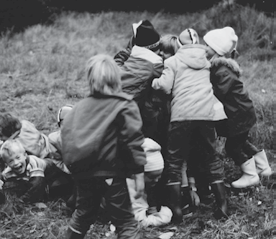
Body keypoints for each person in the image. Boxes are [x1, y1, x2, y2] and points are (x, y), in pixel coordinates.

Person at [61, 54, 146, 239]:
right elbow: (133, 139)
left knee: (83, 214)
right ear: (117, 78)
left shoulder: (79, 107)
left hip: (83, 173)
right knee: (125, 221)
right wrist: (138, 172)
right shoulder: (124, 104)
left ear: (90, 79)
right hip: (111, 172)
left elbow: (65, 134)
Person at [151, 28, 229, 223]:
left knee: (175, 160)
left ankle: (177, 210)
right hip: (206, 115)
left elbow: (166, 86)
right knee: (211, 157)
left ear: (180, 44)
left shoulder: (172, 61)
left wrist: (154, 82)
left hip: (182, 115)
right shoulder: (205, 62)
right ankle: (223, 205)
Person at [203, 26, 273, 188]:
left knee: (232, 147)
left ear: (215, 50)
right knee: (243, 142)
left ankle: (250, 175)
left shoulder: (221, 71)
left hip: (238, 115)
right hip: (243, 113)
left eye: (207, 45)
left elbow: (219, 91)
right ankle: (264, 168)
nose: (203, 48)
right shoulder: (222, 67)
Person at [113, 20, 170, 154]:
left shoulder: (131, 60)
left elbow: (116, 67)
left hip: (115, 108)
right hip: (132, 111)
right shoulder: (155, 65)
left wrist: (126, 52)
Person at [0, 139, 63, 204]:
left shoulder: (33, 164)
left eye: (18, 157)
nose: (16, 162)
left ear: (25, 155)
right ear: (7, 164)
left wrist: (21, 201)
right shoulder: (10, 170)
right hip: (38, 178)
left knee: (52, 190)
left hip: (55, 172)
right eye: (11, 161)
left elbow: (36, 186)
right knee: (19, 185)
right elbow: (2, 177)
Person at [126, 137, 173, 227]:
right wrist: (165, 215)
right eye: (152, 177)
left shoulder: (147, 185)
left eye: (159, 176)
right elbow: (138, 221)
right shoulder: (131, 187)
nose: (156, 180)